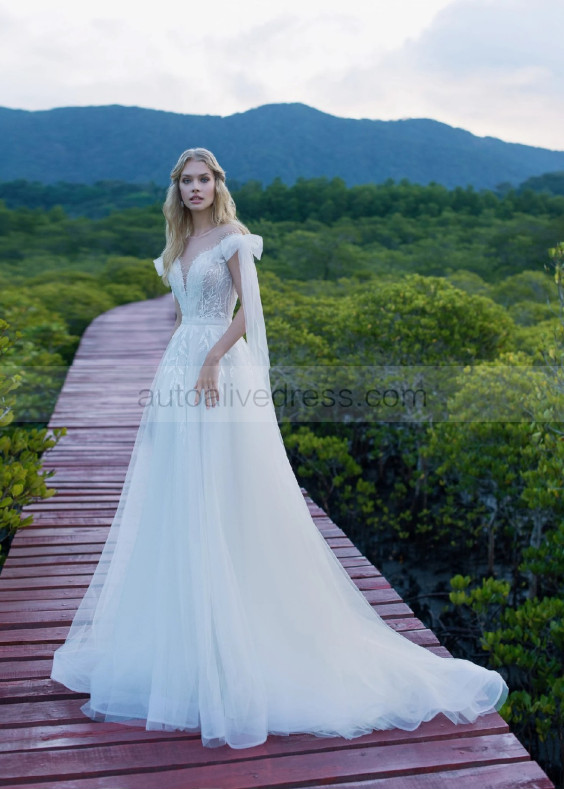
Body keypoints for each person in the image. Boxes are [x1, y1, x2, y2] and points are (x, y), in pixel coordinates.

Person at [51, 147, 508, 750]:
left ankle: (241, 630)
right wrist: (183, 365)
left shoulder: (235, 237)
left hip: (219, 369)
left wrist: (212, 360)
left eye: (204, 180)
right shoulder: (177, 243)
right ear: (177, 189)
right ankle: (190, 635)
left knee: (227, 491)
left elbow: (250, 314)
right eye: (186, 181)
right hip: (179, 369)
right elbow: (185, 314)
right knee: (181, 495)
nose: (195, 189)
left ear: (218, 184)